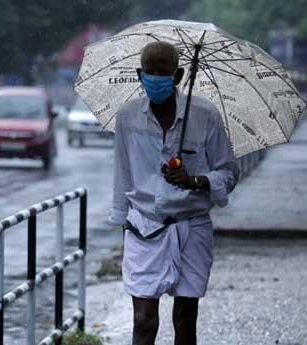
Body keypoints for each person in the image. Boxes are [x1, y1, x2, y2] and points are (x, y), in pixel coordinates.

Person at [109, 41, 239, 345]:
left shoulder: (205, 115)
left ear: (178, 75)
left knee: (184, 318)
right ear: (139, 74)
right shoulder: (127, 117)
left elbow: (229, 172)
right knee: (143, 320)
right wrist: (122, 225)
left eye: (163, 71)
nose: (156, 77)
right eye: (150, 72)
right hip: (143, 227)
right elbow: (121, 174)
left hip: (191, 227)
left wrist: (195, 180)